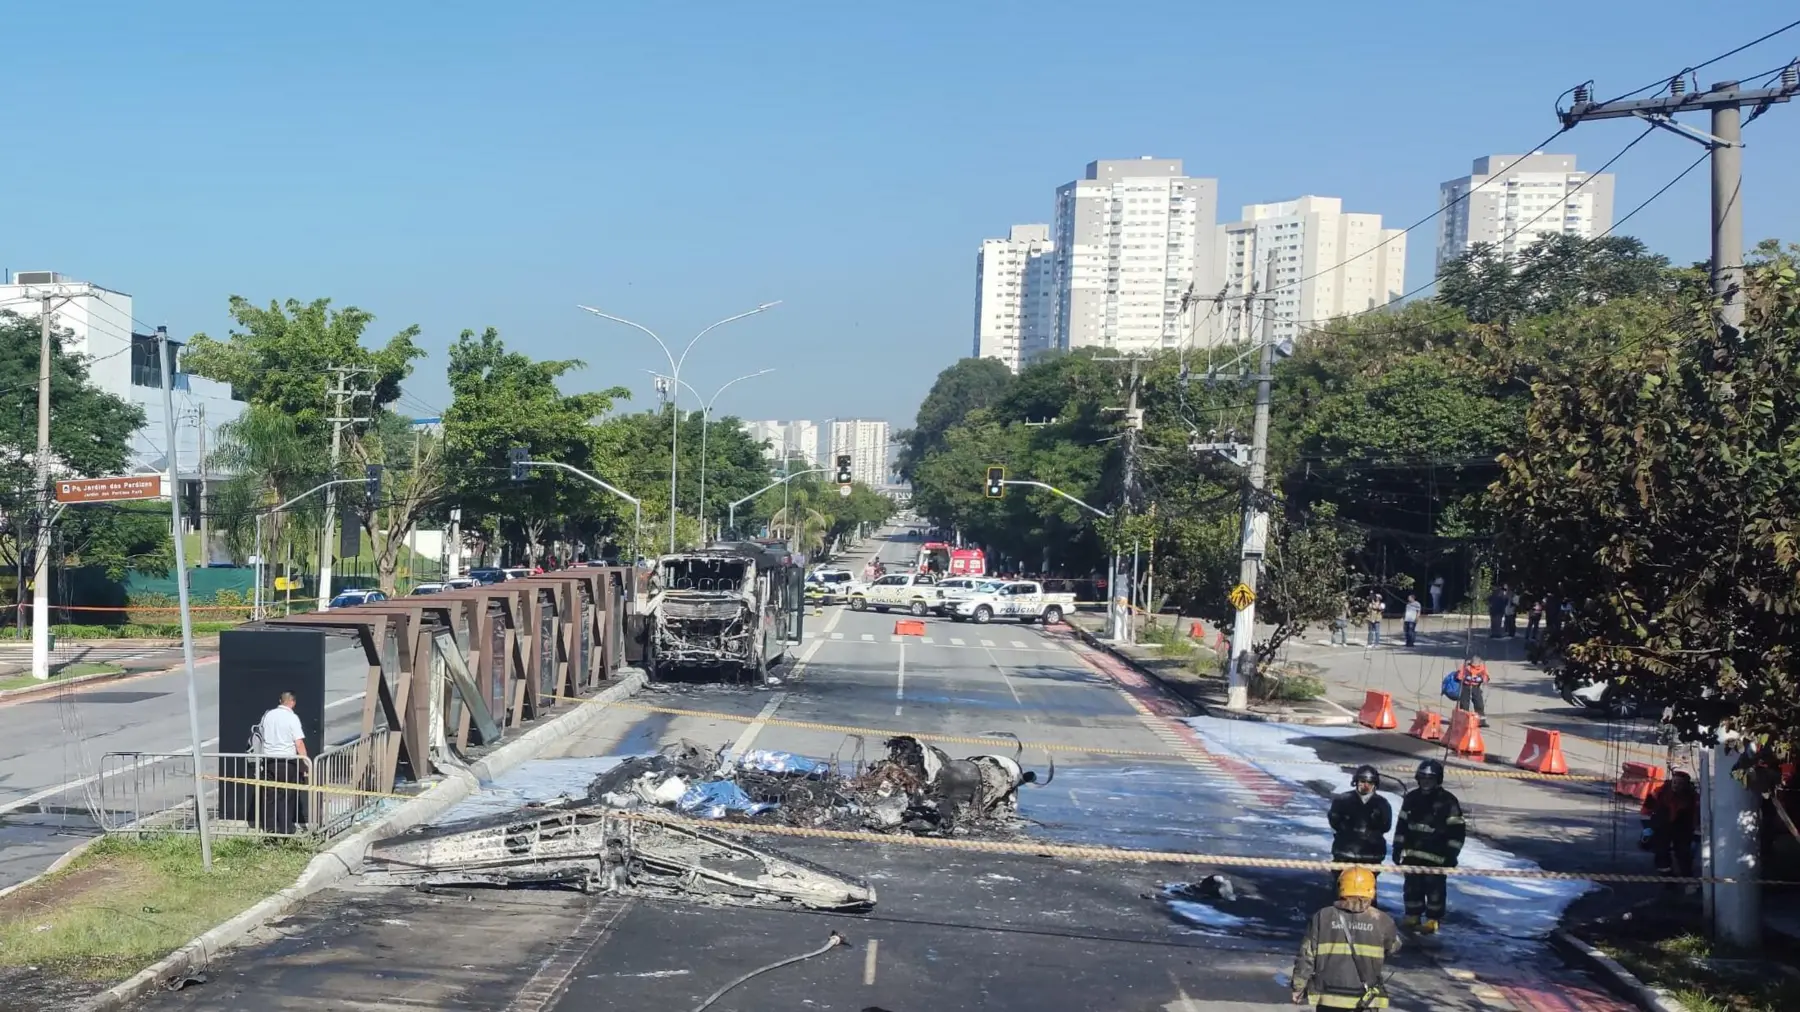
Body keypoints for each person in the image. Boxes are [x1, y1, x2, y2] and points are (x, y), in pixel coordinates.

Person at [1291, 866, 1401, 1009]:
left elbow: (1307, 955)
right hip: (1365, 998)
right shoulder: (1382, 920)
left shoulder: (1322, 916)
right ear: (1372, 889)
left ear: (1341, 887)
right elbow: (1394, 947)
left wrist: (1298, 987)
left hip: (1328, 997)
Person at [1392, 759, 1466, 934]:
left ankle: (1433, 919)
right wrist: (1397, 847)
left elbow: (1457, 831)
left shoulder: (1448, 801)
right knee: (1412, 887)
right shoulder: (1411, 798)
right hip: (1412, 855)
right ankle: (1412, 915)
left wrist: (1451, 854)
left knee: (1435, 891)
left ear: (1437, 780)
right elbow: (1402, 825)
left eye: (1430, 778)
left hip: (1437, 857)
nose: (1426, 782)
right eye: (1423, 778)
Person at [255, 690, 310, 834]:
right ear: (293, 702)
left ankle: (269, 828)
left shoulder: (268, 715)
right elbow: (299, 743)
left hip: (269, 761)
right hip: (287, 763)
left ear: (280, 701)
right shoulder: (292, 718)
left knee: (269, 797)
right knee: (286, 796)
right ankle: (286, 828)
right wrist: (305, 764)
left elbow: (260, 736)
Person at [1328, 766, 1393, 886]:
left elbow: (1386, 826)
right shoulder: (1343, 800)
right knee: (1342, 888)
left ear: (1375, 784)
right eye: (1362, 781)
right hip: (1344, 854)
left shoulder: (1382, 804)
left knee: (1367, 891)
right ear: (1356, 781)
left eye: (1370, 782)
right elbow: (1334, 821)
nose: (1366, 785)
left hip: (1371, 856)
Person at [1642, 769, 1699, 882]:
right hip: (1661, 827)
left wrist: (1696, 833)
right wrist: (1647, 827)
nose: (1676, 786)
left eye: (1680, 784)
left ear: (1686, 785)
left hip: (1682, 829)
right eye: (1675, 782)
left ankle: (1688, 881)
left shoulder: (1693, 798)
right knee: (1661, 853)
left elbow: (1696, 816)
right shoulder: (1660, 792)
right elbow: (1646, 810)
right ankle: (1668, 881)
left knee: (1684, 856)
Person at [1456, 655, 1490, 726]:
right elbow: (1459, 676)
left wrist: (1482, 679)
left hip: (1476, 687)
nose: (1474, 667)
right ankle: (1464, 720)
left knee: (1479, 704)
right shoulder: (1466, 667)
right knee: (1464, 704)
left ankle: (1481, 721)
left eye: (1476, 666)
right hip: (1466, 686)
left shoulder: (1482, 668)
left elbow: (1486, 677)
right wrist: (1464, 677)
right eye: (1473, 665)